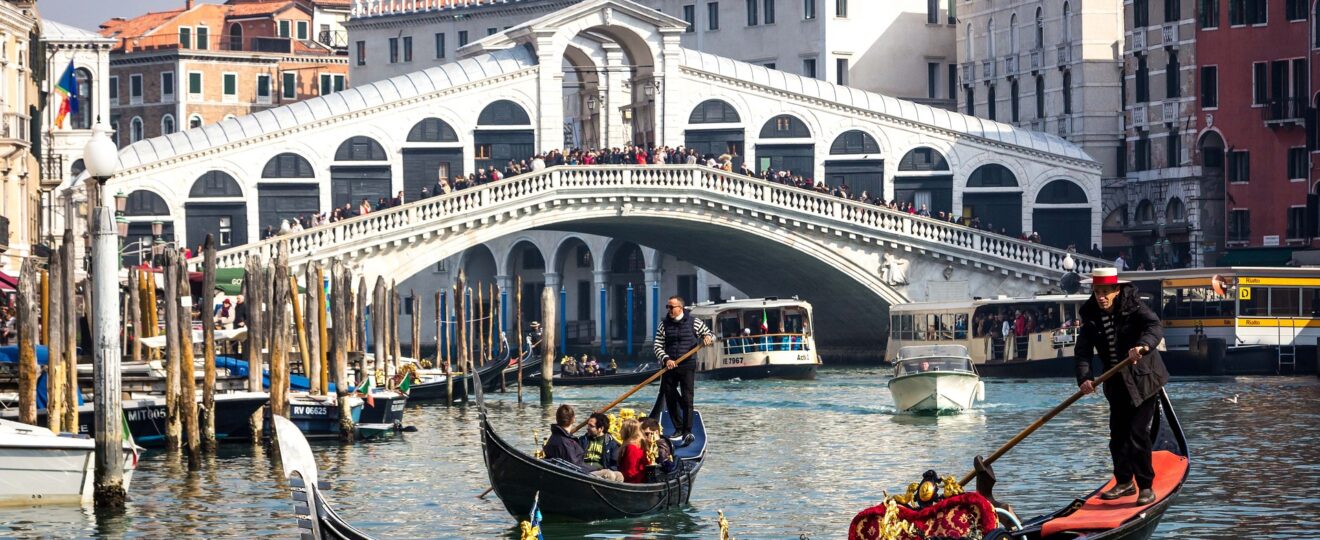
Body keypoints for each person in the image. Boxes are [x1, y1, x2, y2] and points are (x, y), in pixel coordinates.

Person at [1075, 267, 1169, 506]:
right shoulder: (1090, 314)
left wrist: (1143, 346)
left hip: (1144, 378)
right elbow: (1083, 351)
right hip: (1115, 382)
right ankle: (1125, 482)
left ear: (1116, 291)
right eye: (1097, 292)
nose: (1101, 297)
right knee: (1117, 436)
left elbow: (1155, 327)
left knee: (1137, 434)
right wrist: (1085, 378)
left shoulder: (1134, 306)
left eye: (1106, 292)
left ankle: (1145, 486)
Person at [652, 295, 714, 445]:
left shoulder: (694, 322)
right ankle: (678, 428)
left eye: (671, 307)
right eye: (668, 307)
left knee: (687, 398)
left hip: (687, 365)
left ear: (680, 308)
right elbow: (657, 346)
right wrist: (666, 359)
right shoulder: (663, 325)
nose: (669, 310)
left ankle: (687, 431)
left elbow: (712, 335)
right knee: (670, 394)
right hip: (669, 365)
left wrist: (707, 337)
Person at [577, 413, 622, 481]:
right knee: (609, 474)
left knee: (619, 475)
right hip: (585, 472)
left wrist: (608, 470)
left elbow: (614, 464)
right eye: (588, 425)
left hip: (601, 472)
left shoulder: (611, 443)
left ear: (601, 428)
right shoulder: (582, 440)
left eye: (591, 426)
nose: (587, 428)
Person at [541, 404, 588, 469]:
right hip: (576, 473)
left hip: (560, 470)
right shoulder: (567, 442)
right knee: (605, 472)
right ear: (573, 419)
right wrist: (596, 468)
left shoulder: (553, 437)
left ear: (557, 419)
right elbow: (575, 466)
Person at [616, 418, 647, 483]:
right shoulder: (638, 444)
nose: (619, 431)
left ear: (627, 431)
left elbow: (631, 472)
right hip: (633, 479)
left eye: (622, 429)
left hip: (631, 481)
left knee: (607, 474)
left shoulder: (631, 448)